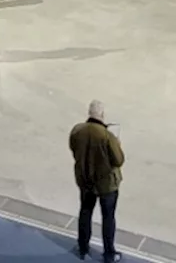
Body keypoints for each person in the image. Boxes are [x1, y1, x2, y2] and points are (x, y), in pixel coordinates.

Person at [70, 99, 125, 263]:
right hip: (106, 184)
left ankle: (82, 247)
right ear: (102, 115)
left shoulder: (77, 130)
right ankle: (109, 254)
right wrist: (118, 144)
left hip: (85, 181)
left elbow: (74, 149)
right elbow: (118, 160)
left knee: (85, 212)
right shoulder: (107, 136)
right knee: (108, 217)